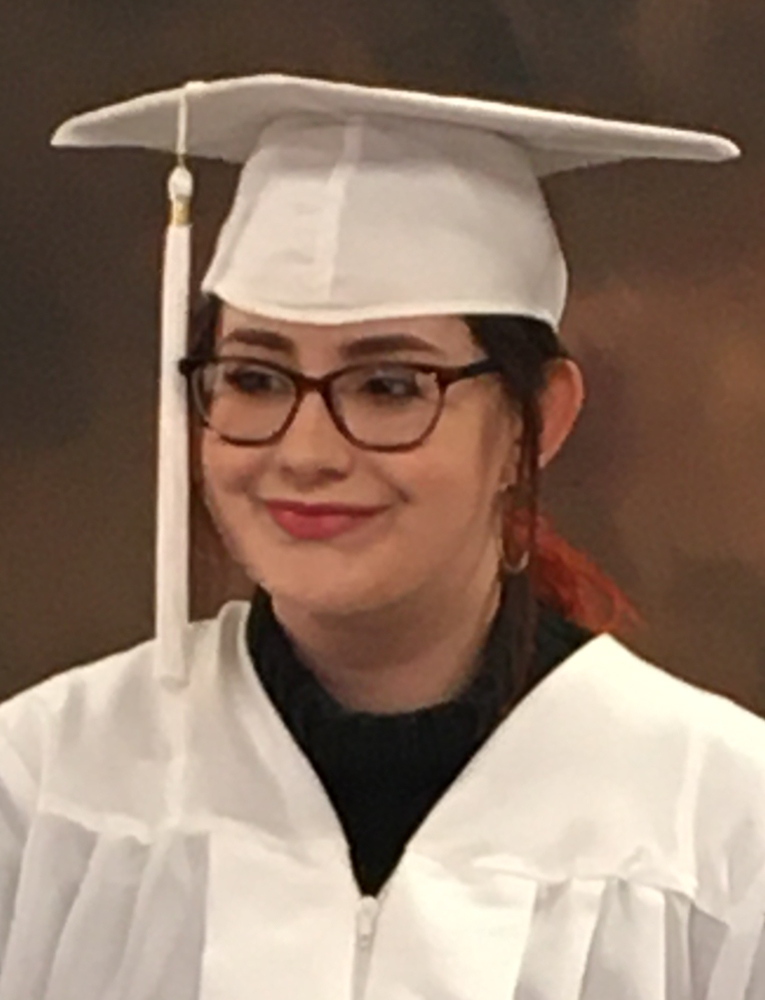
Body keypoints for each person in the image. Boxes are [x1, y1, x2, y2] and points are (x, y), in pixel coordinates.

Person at [1, 73, 763, 998]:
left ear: (534, 422)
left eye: (390, 387)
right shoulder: (42, 786)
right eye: (254, 378)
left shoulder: (722, 829)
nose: (305, 451)